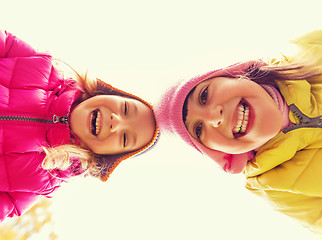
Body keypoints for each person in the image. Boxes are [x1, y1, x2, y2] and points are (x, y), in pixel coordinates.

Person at [155, 30, 322, 238]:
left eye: (204, 95)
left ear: (233, 74)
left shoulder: (309, 49)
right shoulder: (275, 186)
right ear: (218, 153)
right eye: (199, 129)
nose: (214, 117)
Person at [0, 30, 159, 220]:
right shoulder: (41, 67)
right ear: (108, 93)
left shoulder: (42, 180)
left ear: (105, 156)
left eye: (124, 138)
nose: (116, 122)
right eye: (125, 109)